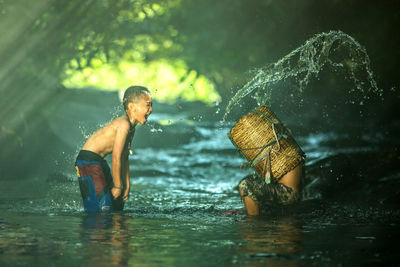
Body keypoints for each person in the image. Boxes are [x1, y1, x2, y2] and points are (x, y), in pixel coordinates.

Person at [74, 86, 152, 212]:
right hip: (87, 161)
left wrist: (126, 185)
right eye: (148, 105)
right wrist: (117, 185)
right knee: (103, 207)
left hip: (98, 161)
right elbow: (116, 157)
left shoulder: (131, 128)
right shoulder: (123, 125)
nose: (151, 109)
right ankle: (94, 229)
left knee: (117, 204)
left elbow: (124, 157)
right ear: (132, 107)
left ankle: (114, 230)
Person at [238, 164, 303, 216]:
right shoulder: (290, 154)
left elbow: (268, 180)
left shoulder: (273, 155)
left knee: (245, 185)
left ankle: (253, 219)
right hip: (294, 192)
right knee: (252, 183)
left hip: (288, 194)